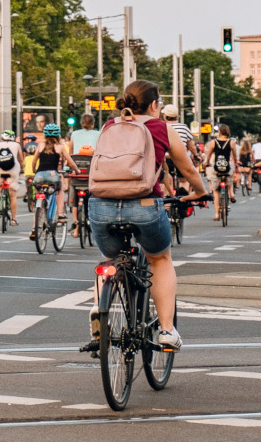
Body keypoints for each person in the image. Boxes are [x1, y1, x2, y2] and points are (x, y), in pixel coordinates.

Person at [87, 80, 206, 352]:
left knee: (109, 259)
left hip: (101, 205)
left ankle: (98, 308)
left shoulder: (109, 126)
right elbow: (188, 170)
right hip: (144, 204)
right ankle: (166, 330)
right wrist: (199, 192)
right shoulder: (161, 128)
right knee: (160, 259)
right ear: (154, 104)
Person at [30, 124, 78, 237]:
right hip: (53, 175)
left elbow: (34, 161)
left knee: (39, 198)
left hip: (39, 176)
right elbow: (70, 162)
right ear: (58, 135)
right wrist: (77, 170)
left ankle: (34, 228)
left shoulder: (40, 145)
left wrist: (34, 170)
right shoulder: (60, 147)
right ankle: (61, 214)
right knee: (60, 189)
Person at [204, 123, 237, 220]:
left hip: (217, 168)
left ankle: (216, 214)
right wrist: (236, 162)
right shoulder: (231, 142)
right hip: (227, 168)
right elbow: (235, 156)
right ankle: (231, 193)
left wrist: (206, 162)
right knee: (230, 177)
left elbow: (209, 155)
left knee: (216, 190)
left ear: (219, 132)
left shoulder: (213, 142)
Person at [0, 129, 24, 225]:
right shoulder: (17, 145)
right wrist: (22, 168)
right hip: (13, 169)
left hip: (0, 168)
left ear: (2, 137)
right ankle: (13, 220)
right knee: (13, 195)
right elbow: (21, 160)